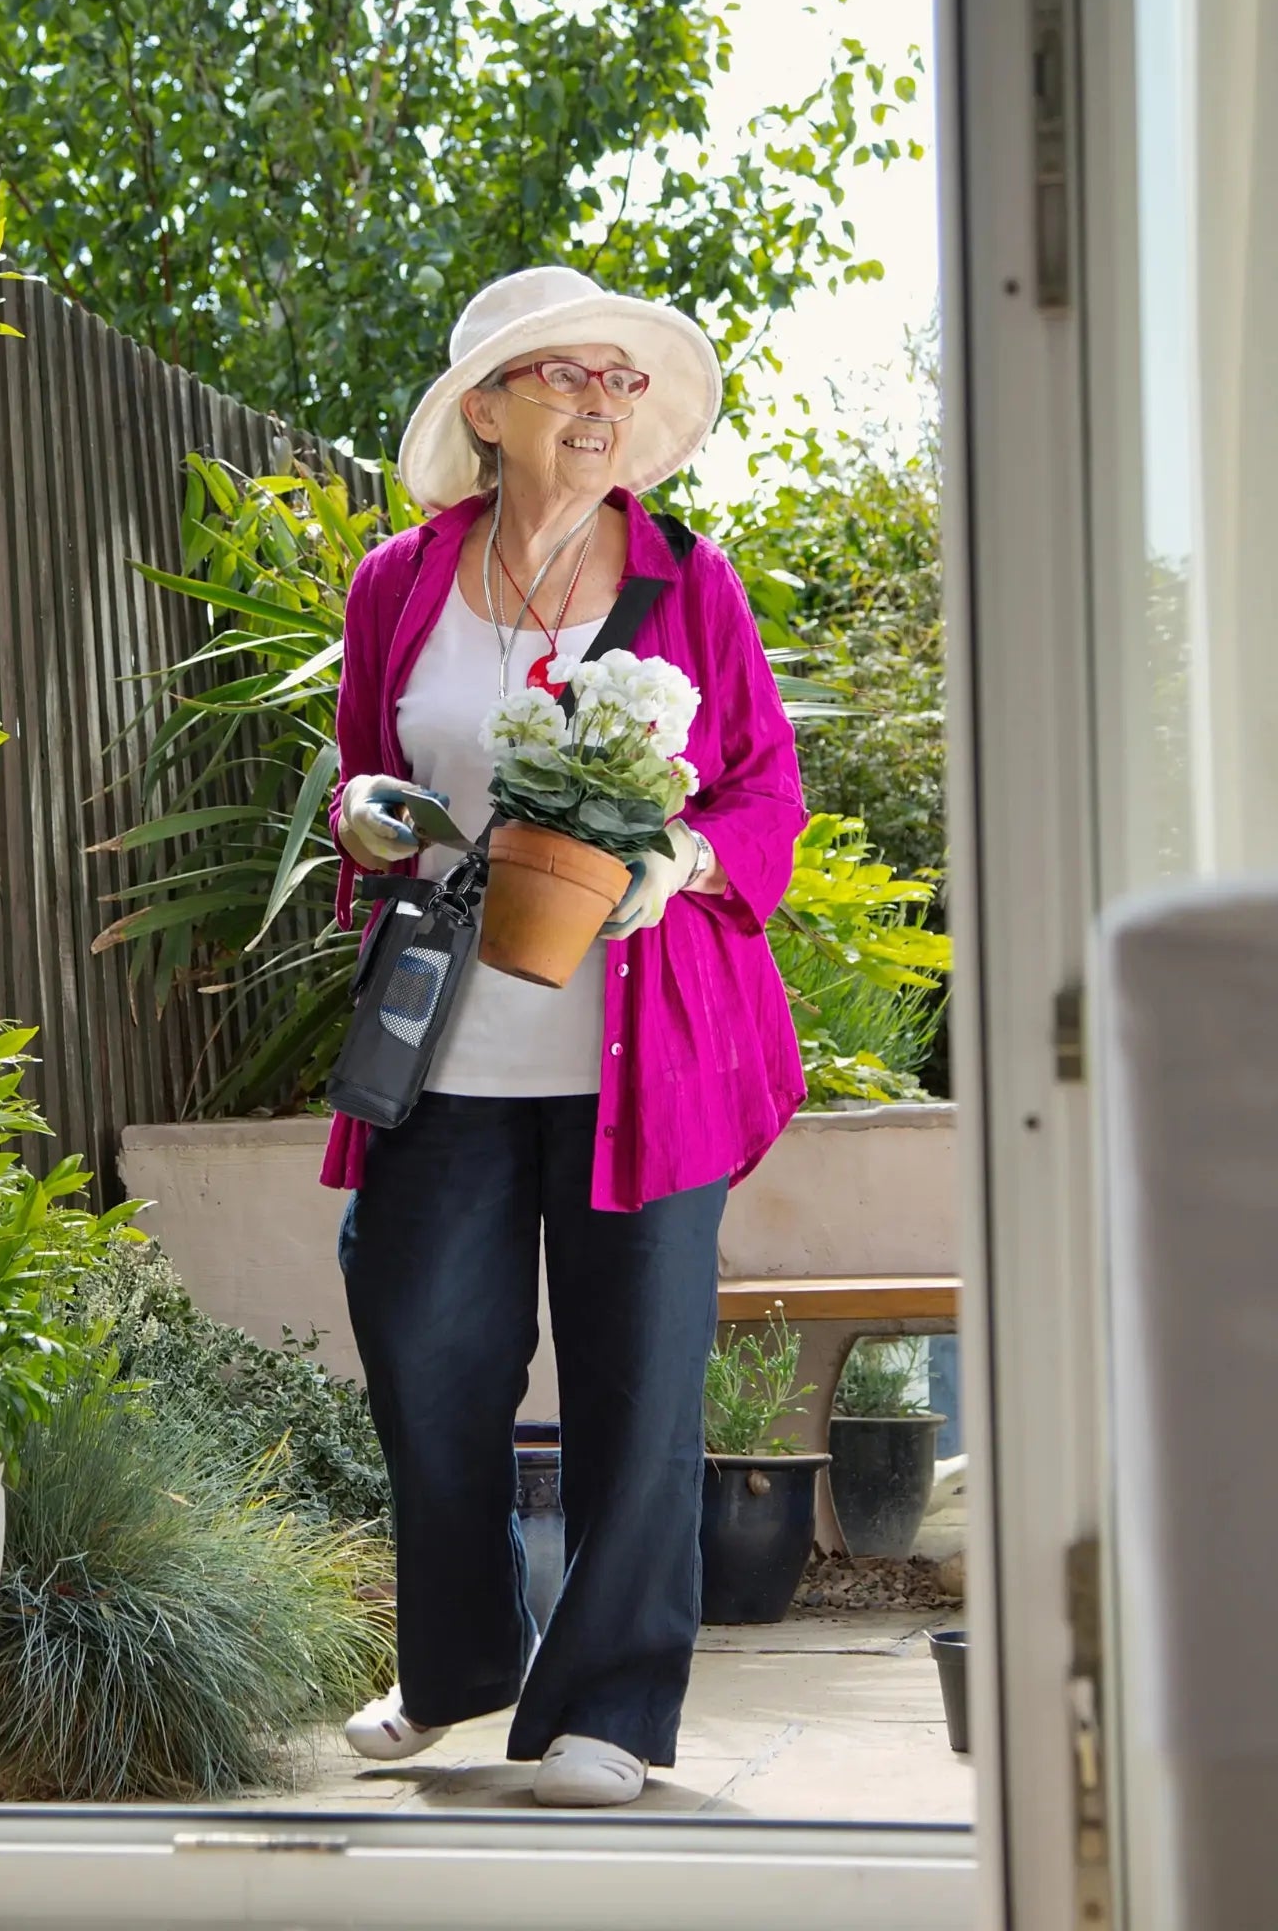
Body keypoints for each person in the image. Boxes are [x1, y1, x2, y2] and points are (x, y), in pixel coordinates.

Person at [321, 266, 807, 1807]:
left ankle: (608, 1709)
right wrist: (363, 821)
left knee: (636, 1382)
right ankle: (463, 1664)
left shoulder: (685, 583)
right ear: (487, 412)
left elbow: (765, 791)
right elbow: (359, 781)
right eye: (563, 379)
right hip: (444, 1041)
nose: (600, 403)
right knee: (425, 1351)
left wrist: (687, 860)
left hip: (639, 1051)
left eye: (617, 380)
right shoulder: (398, 584)